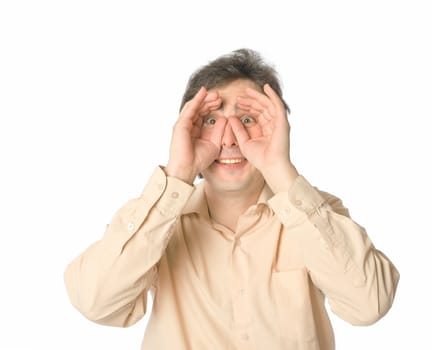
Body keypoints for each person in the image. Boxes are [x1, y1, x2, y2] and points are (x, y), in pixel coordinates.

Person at [64, 48, 399, 350]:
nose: (229, 139)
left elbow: (370, 304)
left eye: (248, 119)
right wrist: (178, 172)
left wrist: (280, 170)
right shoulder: (157, 217)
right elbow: (96, 302)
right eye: (211, 121)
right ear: (188, 129)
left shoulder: (316, 212)